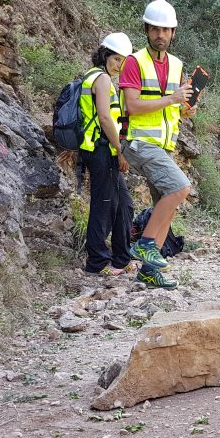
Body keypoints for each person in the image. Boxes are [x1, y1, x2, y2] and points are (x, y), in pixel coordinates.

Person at [119, 0, 198, 290]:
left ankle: (149, 271)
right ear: (146, 30)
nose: (160, 35)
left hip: (163, 145)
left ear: (173, 32)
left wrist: (185, 108)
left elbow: (173, 107)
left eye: (165, 29)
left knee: (167, 204)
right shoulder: (133, 62)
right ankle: (145, 244)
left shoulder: (177, 66)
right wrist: (172, 99)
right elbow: (132, 106)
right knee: (180, 188)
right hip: (139, 141)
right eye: (155, 29)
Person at [79, 32, 136, 277]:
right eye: (115, 59)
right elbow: (104, 117)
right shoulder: (101, 79)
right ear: (105, 55)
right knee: (103, 206)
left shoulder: (97, 77)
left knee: (124, 203)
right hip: (100, 149)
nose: (119, 65)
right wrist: (119, 149)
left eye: (122, 61)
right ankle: (97, 263)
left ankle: (122, 258)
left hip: (102, 149)